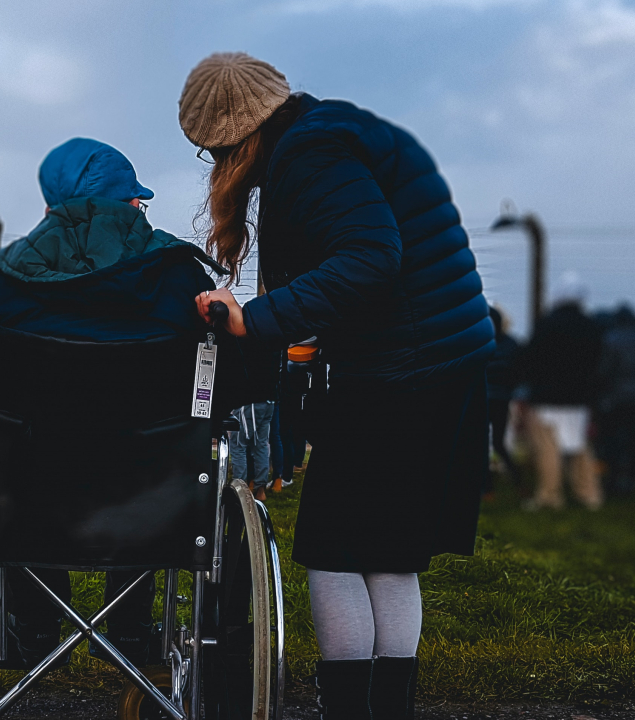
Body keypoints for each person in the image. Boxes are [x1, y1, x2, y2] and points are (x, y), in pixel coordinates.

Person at [179, 52, 493, 720]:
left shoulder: (310, 157)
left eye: (214, 153)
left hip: (401, 370)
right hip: (440, 360)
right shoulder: (333, 133)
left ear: (238, 137)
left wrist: (255, 318)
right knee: (388, 552)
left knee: (332, 550)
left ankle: (349, 708)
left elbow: (371, 257)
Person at [0, 137, 226, 671]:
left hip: (25, 501)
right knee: (149, 459)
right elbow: (233, 382)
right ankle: (131, 630)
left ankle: (35, 627)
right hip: (154, 501)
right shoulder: (181, 278)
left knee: (15, 465)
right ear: (132, 205)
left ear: (49, 208)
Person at [519, 274, 604, 511]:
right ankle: (589, 494)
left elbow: (531, 358)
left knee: (548, 449)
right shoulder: (590, 326)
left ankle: (550, 495)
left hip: (548, 397)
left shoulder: (546, 323)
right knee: (579, 447)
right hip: (579, 398)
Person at [594, 304, 635, 498]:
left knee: (612, 440)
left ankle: (613, 480)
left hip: (612, 400)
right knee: (632, 440)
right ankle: (630, 479)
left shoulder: (609, 340)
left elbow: (603, 371)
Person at [484, 306, 524, 494]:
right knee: (499, 443)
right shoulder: (511, 344)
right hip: (503, 399)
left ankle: (487, 487)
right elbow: (518, 371)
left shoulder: (479, 342)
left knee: (481, 443)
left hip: (482, 399)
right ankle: (518, 481)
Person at [231, 401, 274, 500]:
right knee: (261, 445)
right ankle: (260, 489)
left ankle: (240, 489)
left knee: (238, 445)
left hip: (250, 401)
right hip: (269, 400)